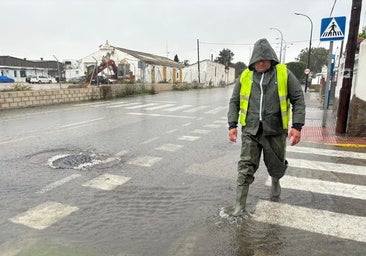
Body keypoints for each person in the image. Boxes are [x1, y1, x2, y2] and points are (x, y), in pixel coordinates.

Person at [227, 38, 305, 217]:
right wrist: (232, 125)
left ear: (272, 58)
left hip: (275, 131)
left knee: (275, 166)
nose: (261, 62)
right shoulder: (246, 76)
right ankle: (239, 207)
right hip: (251, 130)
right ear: (253, 60)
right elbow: (234, 101)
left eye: (265, 58)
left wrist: (297, 126)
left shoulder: (283, 73)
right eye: (258, 59)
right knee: (245, 167)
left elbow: (298, 99)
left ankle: (276, 181)